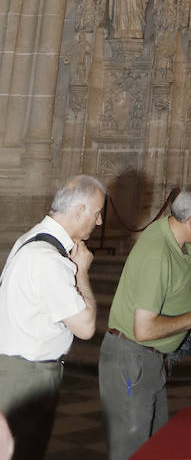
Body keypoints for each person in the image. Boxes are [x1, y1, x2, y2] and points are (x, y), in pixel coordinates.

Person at [98, 183, 191, 460]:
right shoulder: (158, 254)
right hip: (131, 361)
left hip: (148, 360)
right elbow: (143, 330)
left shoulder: (176, 239)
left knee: (156, 447)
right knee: (132, 452)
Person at [0, 175, 104, 459]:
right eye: (97, 213)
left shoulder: (31, 239)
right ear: (79, 210)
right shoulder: (47, 258)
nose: (99, 222)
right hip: (26, 376)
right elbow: (85, 327)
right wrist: (82, 273)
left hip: (19, 370)